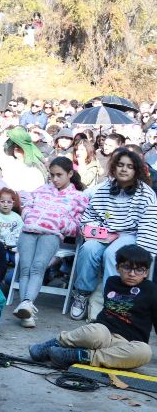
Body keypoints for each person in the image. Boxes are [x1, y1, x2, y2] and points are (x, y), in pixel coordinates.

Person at [29, 245, 156, 370]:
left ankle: (80, 355)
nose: (132, 274)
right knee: (97, 332)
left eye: (139, 270)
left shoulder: (152, 290)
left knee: (144, 352)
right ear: (118, 267)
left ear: (146, 272)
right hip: (102, 335)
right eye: (127, 268)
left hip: (126, 344)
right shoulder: (112, 282)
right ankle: (54, 344)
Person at [69, 148, 157, 321]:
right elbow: (88, 219)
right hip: (105, 232)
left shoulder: (146, 194)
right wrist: (101, 234)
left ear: (136, 170)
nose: (124, 169)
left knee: (114, 254)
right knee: (88, 249)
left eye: (129, 166)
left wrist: (142, 255)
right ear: (114, 168)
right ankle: (82, 293)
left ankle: (113, 302)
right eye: (120, 165)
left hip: (131, 235)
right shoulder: (103, 190)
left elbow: (149, 226)